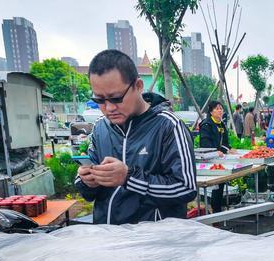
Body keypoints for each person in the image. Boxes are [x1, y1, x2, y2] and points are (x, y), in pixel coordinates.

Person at [75, 49, 196, 225]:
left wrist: (128, 178)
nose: (109, 108)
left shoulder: (168, 126)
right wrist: (87, 181)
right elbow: (88, 188)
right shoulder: (101, 128)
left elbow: (186, 188)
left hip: (154, 242)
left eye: (116, 98)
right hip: (108, 237)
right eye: (100, 100)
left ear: (138, 86)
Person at [199, 101, 230, 213]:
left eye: (221, 108)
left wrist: (228, 150)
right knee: (214, 185)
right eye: (217, 109)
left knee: (220, 184)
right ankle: (214, 210)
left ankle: (218, 209)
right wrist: (216, 152)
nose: (220, 111)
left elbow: (225, 142)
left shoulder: (221, 124)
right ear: (211, 111)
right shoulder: (206, 125)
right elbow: (205, 144)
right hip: (210, 160)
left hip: (221, 160)